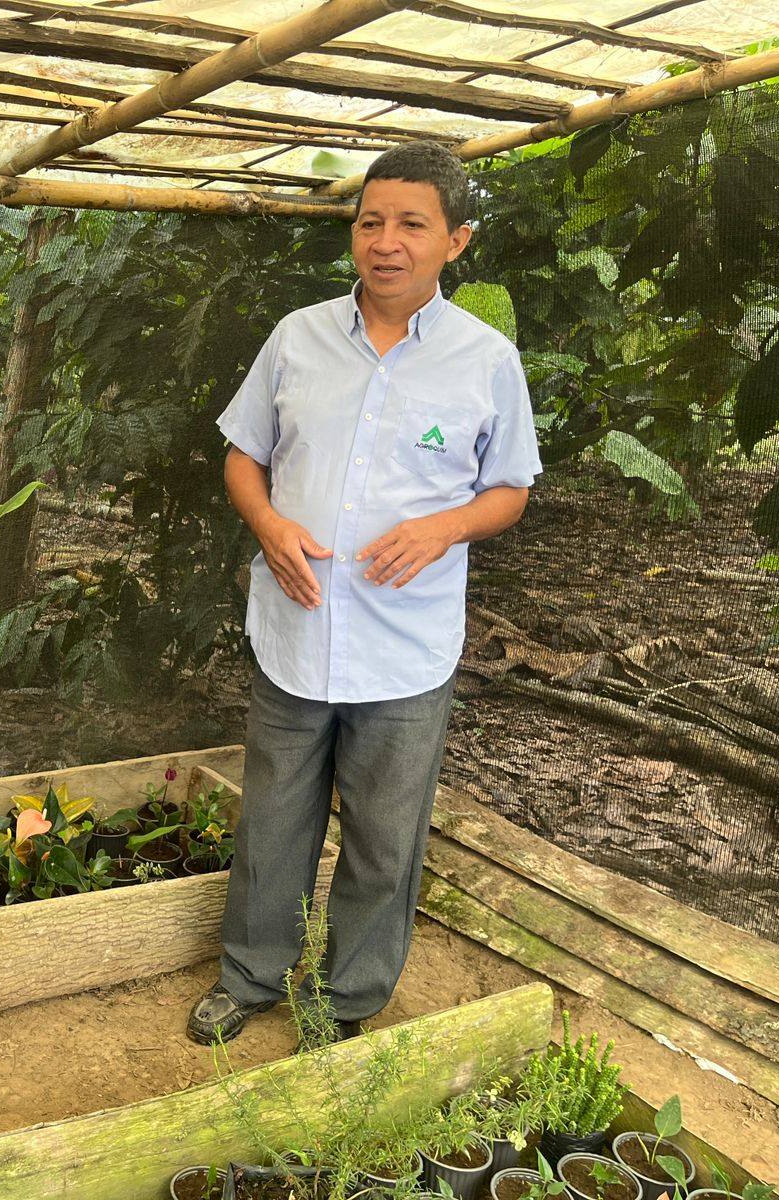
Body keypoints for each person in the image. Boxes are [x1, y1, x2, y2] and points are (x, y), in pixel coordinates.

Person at [187, 142, 542, 1047]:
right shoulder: (296, 337)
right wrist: (269, 526)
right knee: (273, 822)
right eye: (371, 221)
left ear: (456, 241)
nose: (386, 242)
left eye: (412, 224)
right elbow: (243, 457)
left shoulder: (486, 360)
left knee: (385, 838)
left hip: (405, 645)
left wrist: (443, 528)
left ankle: (343, 1001)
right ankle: (251, 976)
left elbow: (510, 490)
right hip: (295, 629)